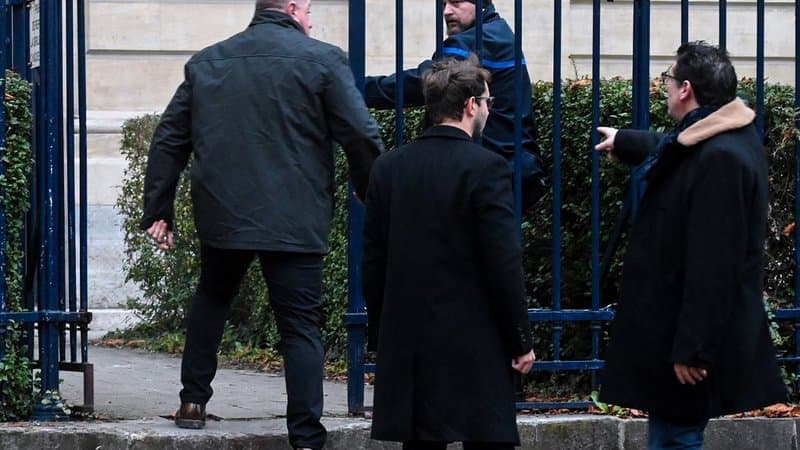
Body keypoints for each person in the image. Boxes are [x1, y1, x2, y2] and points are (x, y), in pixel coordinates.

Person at [139, 1, 384, 449]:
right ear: (291, 8)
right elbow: (361, 133)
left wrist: (159, 207)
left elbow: (170, 137)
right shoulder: (325, 60)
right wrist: (370, 187)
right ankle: (306, 435)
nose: (311, 20)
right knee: (300, 325)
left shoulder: (208, 62)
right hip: (296, 214)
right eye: (309, 10)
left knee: (213, 299)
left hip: (224, 212)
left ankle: (192, 402)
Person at [596, 41, 786, 449]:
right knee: (673, 431)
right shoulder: (722, 137)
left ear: (685, 89)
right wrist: (626, 142)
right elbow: (677, 148)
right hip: (678, 330)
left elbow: (715, 261)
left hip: (686, 338)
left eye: (668, 79)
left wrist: (694, 349)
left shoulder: (721, 159)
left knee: (677, 437)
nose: (663, 87)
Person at [362, 56, 536, 450]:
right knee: (486, 438)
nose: (490, 110)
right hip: (476, 342)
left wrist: (381, 334)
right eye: (489, 102)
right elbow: (503, 262)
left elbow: (373, 262)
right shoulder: (487, 168)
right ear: (471, 105)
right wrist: (520, 339)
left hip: (411, 341)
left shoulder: (388, 168)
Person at [364, 0, 545, 209]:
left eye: (457, 2)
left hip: (484, 174)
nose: (447, 11)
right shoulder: (499, 32)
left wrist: (357, 87)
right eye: (443, 4)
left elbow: (421, 83)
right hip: (510, 169)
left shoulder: (474, 41)